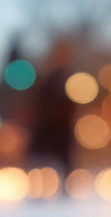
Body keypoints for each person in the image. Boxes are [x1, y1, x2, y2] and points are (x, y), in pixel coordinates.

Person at [29, 39, 77, 176]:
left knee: (62, 160)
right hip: (50, 125)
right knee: (43, 159)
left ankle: (62, 185)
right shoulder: (50, 78)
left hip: (60, 127)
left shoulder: (67, 78)